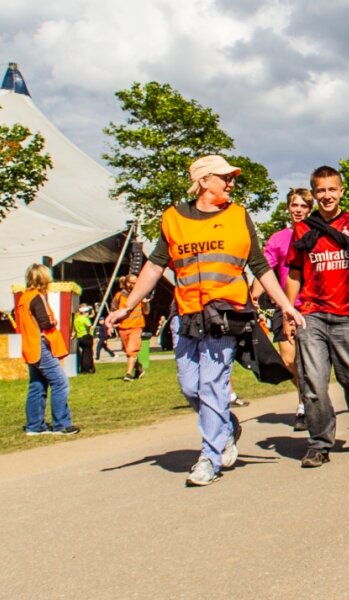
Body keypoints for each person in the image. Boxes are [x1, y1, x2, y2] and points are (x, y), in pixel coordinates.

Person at [107, 155, 303, 487]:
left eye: (231, 178)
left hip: (225, 314)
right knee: (189, 385)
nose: (231, 183)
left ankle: (209, 457)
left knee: (213, 384)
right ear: (203, 181)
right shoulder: (173, 219)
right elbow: (155, 266)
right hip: (186, 314)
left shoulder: (239, 216)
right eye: (223, 177)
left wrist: (285, 305)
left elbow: (260, 266)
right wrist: (129, 305)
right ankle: (225, 427)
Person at [286, 165, 349, 468]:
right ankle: (319, 443)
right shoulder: (303, 228)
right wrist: (289, 311)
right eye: (321, 191)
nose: (327, 196)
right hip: (312, 314)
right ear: (313, 193)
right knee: (314, 383)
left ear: (341, 191)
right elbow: (294, 271)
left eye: (332, 190)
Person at [252, 187, 313, 431]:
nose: (298, 210)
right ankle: (306, 397)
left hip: (310, 304)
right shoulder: (278, 239)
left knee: (309, 360)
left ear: (310, 209)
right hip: (284, 306)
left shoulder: (316, 235)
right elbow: (264, 270)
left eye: (303, 206)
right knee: (289, 360)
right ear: (288, 207)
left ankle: (305, 406)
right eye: (294, 205)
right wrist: (254, 295)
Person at [12, 263, 79, 436]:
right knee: (60, 383)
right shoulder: (37, 297)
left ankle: (34, 426)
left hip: (28, 345)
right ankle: (61, 424)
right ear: (44, 278)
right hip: (39, 345)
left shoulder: (23, 298)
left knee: (37, 385)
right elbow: (45, 322)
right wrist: (55, 323)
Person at [111, 274, 148, 381]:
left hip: (136, 326)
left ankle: (128, 374)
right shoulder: (119, 296)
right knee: (128, 351)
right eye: (131, 283)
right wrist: (113, 323)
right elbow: (113, 311)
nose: (134, 285)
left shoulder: (140, 294)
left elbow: (146, 311)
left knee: (131, 350)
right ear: (126, 283)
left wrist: (145, 304)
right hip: (123, 327)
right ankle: (139, 369)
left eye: (136, 282)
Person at [73, 304, 95, 374]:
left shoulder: (76, 319)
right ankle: (87, 368)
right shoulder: (85, 319)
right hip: (86, 336)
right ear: (85, 312)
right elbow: (89, 325)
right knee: (88, 353)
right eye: (87, 312)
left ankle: (83, 368)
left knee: (83, 353)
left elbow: (75, 330)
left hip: (80, 337)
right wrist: (89, 331)